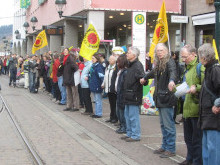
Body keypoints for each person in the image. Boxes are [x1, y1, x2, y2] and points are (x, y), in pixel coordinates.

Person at [140, 43, 177, 158]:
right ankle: (165, 146)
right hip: (160, 97)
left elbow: (173, 72)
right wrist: (145, 78)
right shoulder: (160, 63)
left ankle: (170, 148)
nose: (159, 52)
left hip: (166, 97)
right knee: (163, 124)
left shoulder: (169, 62)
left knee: (168, 125)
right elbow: (153, 72)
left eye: (161, 50)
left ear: (166, 51)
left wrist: (171, 81)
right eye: (158, 51)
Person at [178, 44, 204, 165]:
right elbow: (185, 85)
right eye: (182, 57)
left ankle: (197, 161)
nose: (183, 59)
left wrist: (197, 88)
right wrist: (175, 89)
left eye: (185, 57)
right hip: (187, 107)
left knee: (197, 139)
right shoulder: (186, 68)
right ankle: (189, 158)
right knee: (188, 138)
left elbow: (207, 85)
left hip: (196, 108)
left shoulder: (200, 68)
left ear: (194, 55)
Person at [198, 43, 220, 165]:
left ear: (204, 57)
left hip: (213, 116)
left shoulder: (215, 70)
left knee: (213, 149)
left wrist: (218, 105)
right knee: (207, 148)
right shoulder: (209, 69)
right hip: (207, 115)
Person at [120, 46, 146, 142]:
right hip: (128, 94)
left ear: (134, 55)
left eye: (129, 53)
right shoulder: (130, 65)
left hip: (134, 94)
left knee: (133, 116)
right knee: (127, 115)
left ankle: (135, 135)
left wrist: (142, 80)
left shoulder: (138, 65)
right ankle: (129, 133)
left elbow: (143, 78)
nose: (127, 54)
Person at [102, 55, 117, 123]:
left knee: (114, 104)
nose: (109, 60)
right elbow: (105, 76)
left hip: (113, 89)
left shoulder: (116, 68)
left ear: (114, 60)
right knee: (111, 104)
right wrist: (103, 84)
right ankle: (111, 117)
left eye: (111, 59)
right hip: (108, 88)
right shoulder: (107, 67)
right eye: (109, 59)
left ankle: (115, 117)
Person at [115, 55, 128, 134]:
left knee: (122, 112)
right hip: (119, 93)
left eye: (118, 62)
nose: (117, 64)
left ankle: (124, 126)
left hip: (122, 94)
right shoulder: (120, 71)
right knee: (118, 112)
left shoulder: (125, 72)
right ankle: (121, 125)